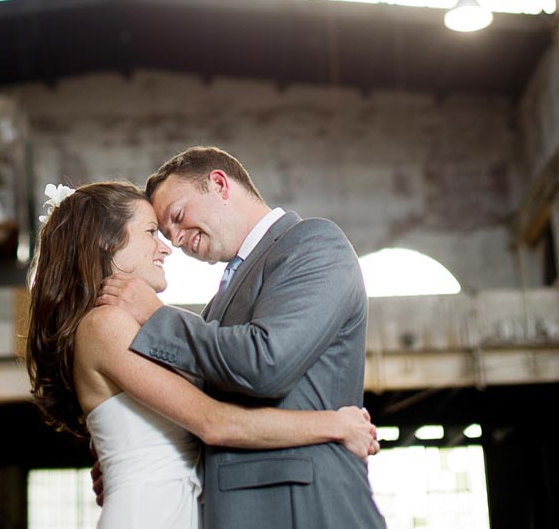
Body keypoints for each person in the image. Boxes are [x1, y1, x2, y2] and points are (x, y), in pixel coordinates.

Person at [26, 179, 379, 529]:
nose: (166, 247)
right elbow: (215, 422)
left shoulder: (130, 325)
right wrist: (335, 423)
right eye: (151, 231)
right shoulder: (105, 324)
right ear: (107, 241)